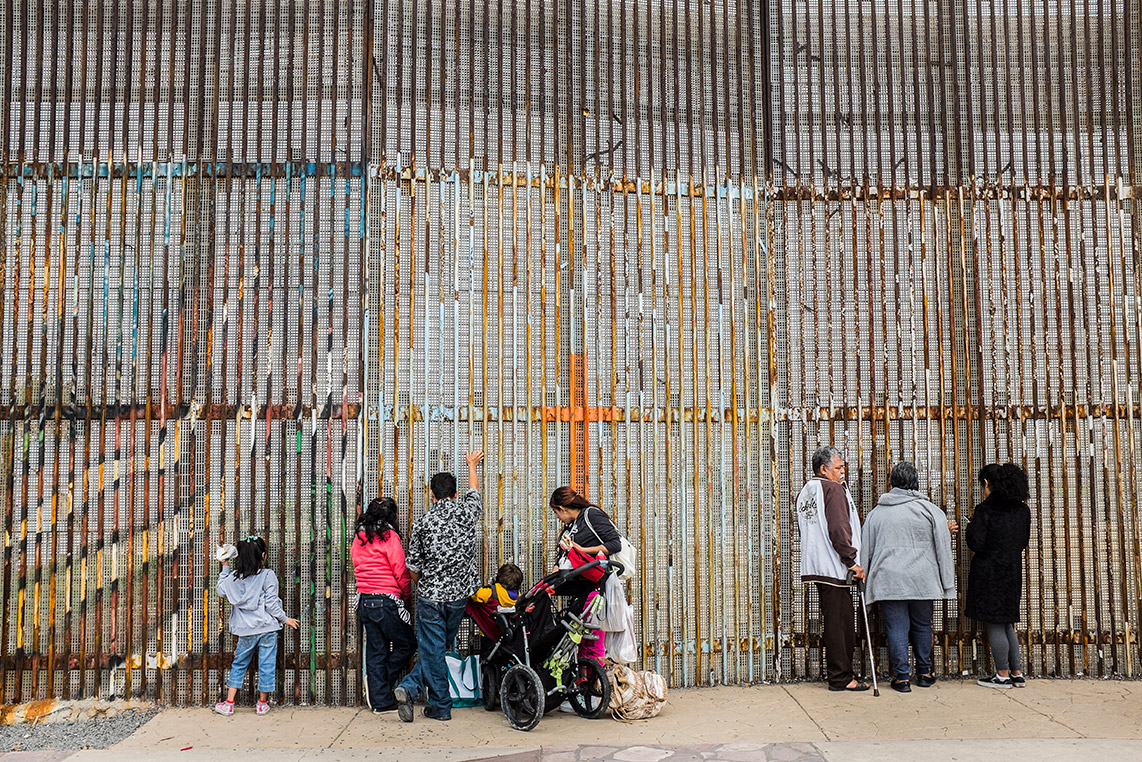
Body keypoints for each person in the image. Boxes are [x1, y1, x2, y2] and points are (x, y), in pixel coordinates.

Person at [394, 450, 485, 722]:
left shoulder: (423, 522)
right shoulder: (468, 514)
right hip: (457, 598)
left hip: (430, 597)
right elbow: (475, 492)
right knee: (438, 649)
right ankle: (422, 697)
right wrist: (471, 465)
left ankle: (431, 701)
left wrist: (424, 587)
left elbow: (413, 566)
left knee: (433, 650)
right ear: (455, 494)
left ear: (431, 495)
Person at [861, 461, 956, 693]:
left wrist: (864, 586)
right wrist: (947, 582)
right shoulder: (931, 511)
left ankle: (902, 678)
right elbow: (942, 548)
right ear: (916, 483)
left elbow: (866, 550)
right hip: (923, 579)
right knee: (923, 625)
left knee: (896, 628)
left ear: (892, 483)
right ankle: (924, 673)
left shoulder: (876, 514)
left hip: (888, 579)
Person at [792, 445, 868, 692]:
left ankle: (841, 674)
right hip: (835, 567)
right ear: (824, 469)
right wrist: (852, 561)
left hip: (817, 564)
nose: (843, 471)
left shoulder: (807, 490)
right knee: (841, 624)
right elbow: (839, 529)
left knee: (834, 621)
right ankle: (842, 677)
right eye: (838, 467)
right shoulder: (832, 489)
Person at [214, 536, 300, 716]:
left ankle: (229, 703)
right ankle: (262, 703)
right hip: (267, 629)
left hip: (245, 630)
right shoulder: (267, 575)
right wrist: (285, 619)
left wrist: (225, 566)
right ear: (263, 555)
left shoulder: (233, 579)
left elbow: (221, 589)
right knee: (266, 664)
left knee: (239, 664)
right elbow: (271, 603)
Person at [965, 463, 1032, 688]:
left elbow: (977, 543)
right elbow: (1022, 542)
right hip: (1012, 570)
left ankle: (1002, 675)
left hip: (989, 572)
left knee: (994, 623)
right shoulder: (1022, 510)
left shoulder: (986, 510)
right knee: (1007, 623)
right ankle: (1017, 672)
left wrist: (970, 527)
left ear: (987, 484)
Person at [351, 496, 416, 713]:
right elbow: (401, 571)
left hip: (364, 601)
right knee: (407, 644)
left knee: (376, 649)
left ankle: (379, 698)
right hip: (386, 600)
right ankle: (379, 685)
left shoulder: (359, 536)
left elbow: (356, 564)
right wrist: (405, 596)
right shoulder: (390, 536)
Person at [550, 486, 622, 662]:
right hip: (580, 585)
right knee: (576, 629)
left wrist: (583, 550)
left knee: (591, 635)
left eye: (556, 513)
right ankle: (582, 674)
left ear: (562, 508)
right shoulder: (571, 524)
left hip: (596, 583)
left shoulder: (591, 515)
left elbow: (615, 543)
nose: (558, 518)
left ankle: (592, 677)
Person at [467, 562, 524, 641]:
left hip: (488, 633)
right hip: (508, 636)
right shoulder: (518, 598)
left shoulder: (492, 592)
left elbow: (475, 595)